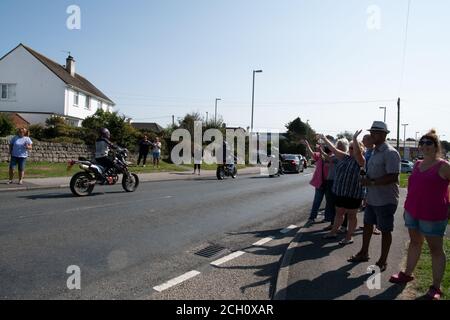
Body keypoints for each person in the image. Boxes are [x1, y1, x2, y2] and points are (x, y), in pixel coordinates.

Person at [389, 130, 450, 300]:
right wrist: (407, 207)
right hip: (412, 211)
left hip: (434, 215)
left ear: (436, 145)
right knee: (415, 243)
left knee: (435, 250)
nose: (424, 146)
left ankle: (436, 287)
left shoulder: (444, 165)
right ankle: (407, 274)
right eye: (421, 143)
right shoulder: (416, 164)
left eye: (428, 143)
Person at [348, 121, 401, 272]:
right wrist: (365, 176)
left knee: (385, 230)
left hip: (386, 200)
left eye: (377, 132)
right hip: (371, 198)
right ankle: (364, 252)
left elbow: (393, 176)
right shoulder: (373, 152)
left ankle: (383, 261)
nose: (373, 134)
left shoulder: (390, 153)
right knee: (368, 226)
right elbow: (366, 168)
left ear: (385, 135)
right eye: (372, 132)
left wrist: (370, 182)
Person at [321, 131, 366, 245]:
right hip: (341, 192)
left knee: (351, 216)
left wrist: (354, 139)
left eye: (353, 148)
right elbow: (334, 150)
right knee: (339, 213)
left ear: (359, 149)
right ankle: (333, 232)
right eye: (350, 148)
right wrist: (325, 139)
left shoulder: (361, 161)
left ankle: (349, 237)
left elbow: (358, 155)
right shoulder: (345, 157)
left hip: (353, 194)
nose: (351, 150)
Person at [301, 139, 331, 225]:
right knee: (317, 201)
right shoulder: (319, 156)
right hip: (320, 182)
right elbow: (312, 154)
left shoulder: (332, 157)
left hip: (329, 182)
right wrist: (307, 145)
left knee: (329, 202)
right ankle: (312, 217)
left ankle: (327, 217)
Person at [362, 134, 381, 235]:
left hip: (374, 181)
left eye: (364, 139)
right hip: (367, 181)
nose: (363, 141)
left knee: (375, 204)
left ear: (370, 140)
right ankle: (369, 223)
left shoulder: (374, 151)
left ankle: (377, 226)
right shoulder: (366, 151)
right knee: (367, 203)